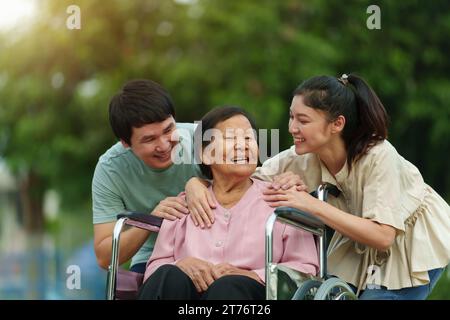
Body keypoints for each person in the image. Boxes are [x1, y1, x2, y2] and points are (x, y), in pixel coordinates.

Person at [187, 74, 450, 300]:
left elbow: (383, 236)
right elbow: (242, 176)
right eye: (291, 117)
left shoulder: (377, 155)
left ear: (337, 124)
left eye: (303, 120)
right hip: (356, 236)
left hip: (409, 240)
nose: (292, 128)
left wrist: (309, 203)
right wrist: (196, 184)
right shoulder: (300, 157)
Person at [138, 106, 319, 300]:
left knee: (228, 288)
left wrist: (255, 275)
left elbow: (304, 269)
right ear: (205, 155)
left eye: (249, 138)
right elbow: (155, 270)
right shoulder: (183, 206)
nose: (243, 145)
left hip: (251, 298)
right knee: (169, 275)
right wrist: (179, 265)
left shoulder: (281, 200)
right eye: (231, 139)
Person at [92, 79, 204, 273]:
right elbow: (104, 257)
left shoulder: (203, 139)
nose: (164, 145)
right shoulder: (110, 169)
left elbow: (250, 186)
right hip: (153, 257)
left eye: (169, 130)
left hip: (214, 247)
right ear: (126, 143)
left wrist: (198, 183)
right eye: (149, 139)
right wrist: (150, 221)